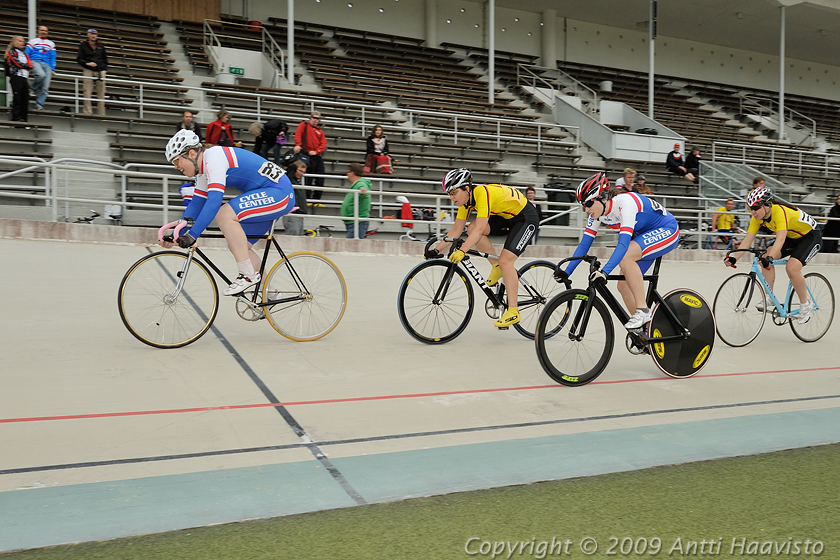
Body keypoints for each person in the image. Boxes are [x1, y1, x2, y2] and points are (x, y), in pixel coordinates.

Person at [162, 129, 295, 296]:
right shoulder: (203, 170)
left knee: (224, 214)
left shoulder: (214, 158)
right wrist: (177, 232)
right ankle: (271, 294)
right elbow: (197, 203)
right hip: (267, 193)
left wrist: (193, 235)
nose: (175, 166)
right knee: (239, 245)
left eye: (176, 160)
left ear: (191, 153)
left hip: (279, 192)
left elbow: (214, 201)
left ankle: (247, 275)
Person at [558, 173, 680, 330]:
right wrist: (567, 272)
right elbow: (584, 244)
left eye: (588, 203)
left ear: (601, 197)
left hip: (666, 230)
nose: (587, 209)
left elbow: (623, 246)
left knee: (626, 256)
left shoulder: (625, 203)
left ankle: (643, 310)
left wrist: (605, 272)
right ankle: (645, 332)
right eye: (583, 206)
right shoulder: (598, 214)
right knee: (623, 286)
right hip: (643, 238)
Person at [433, 168, 540, 329]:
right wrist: (435, 251)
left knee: (506, 261)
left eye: (454, 192)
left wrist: (462, 251)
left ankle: (513, 311)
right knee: (470, 228)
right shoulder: (466, 202)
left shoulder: (483, 194)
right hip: (506, 217)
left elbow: (480, 230)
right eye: (449, 194)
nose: (451, 197)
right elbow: (455, 231)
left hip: (525, 218)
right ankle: (495, 266)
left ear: (467, 188)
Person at [724, 186, 821, 324]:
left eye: (756, 207)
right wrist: (734, 258)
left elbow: (780, 240)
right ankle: (769, 296)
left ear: (767, 205)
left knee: (792, 268)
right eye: (750, 208)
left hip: (810, 237)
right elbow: (747, 240)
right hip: (792, 236)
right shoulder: (757, 218)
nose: (753, 212)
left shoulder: (780, 212)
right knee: (764, 257)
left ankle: (805, 304)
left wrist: (770, 258)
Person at [293, 112, 327, 201]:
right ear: (310, 118)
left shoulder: (320, 131)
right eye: (314, 117)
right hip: (306, 154)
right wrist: (297, 144)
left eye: (318, 118)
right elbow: (298, 135)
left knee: (320, 177)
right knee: (308, 178)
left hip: (316, 155)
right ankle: (307, 198)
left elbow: (323, 144)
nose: (316, 120)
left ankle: (317, 199)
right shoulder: (303, 125)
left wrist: (316, 151)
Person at [76, 28, 107, 116]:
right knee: (87, 91)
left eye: (95, 34)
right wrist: (87, 63)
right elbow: (79, 59)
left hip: (100, 69)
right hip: (88, 69)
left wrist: (103, 68)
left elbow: (105, 59)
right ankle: (87, 112)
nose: (93, 36)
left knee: (101, 92)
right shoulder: (83, 45)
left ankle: (101, 113)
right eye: (91, 34)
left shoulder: (101, 46)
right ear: (88, 35)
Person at [25, 25, 55, 111]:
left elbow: (53, 56)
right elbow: (27, 54)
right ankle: (32, 88)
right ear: (38, 31)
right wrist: (28, 66)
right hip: (35, 61)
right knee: (41, 75)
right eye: (42, 30)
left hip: (47, 64)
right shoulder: (32, 41)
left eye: (45, 31)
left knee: (45, 87)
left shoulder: (51, 43)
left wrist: (52, 68)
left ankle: (39, 104)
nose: (44, 32)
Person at [5, 36, 32, 122]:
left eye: (23, 41)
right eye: (20, 41)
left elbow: (30, 64)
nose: (22, 43)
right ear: (14, 42)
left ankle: (24, 117)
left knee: (25, 98)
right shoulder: (12, 52)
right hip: (16, 76)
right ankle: (16, 117)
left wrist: (28, 67)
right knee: (17, 97)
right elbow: (16, 62)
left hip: (24, 77)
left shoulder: (24, 54)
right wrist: (26, 66)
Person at [341, 162, 371, 239]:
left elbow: (363, 189)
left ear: (352, 173)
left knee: (351, 246)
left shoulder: (360, 183)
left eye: (348, 172)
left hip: (357, 221)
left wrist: (362, 189)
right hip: (353, 221)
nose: (347, 175)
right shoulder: (356, 184)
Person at [283, 160, 308, 236]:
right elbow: (289, 170)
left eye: (303, 172)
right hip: (293, 214)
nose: (301, 174)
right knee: (292, 237)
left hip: (299, 214)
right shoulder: (288, 180)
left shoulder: (297, 182)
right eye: (300, 171)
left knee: (298, 238)